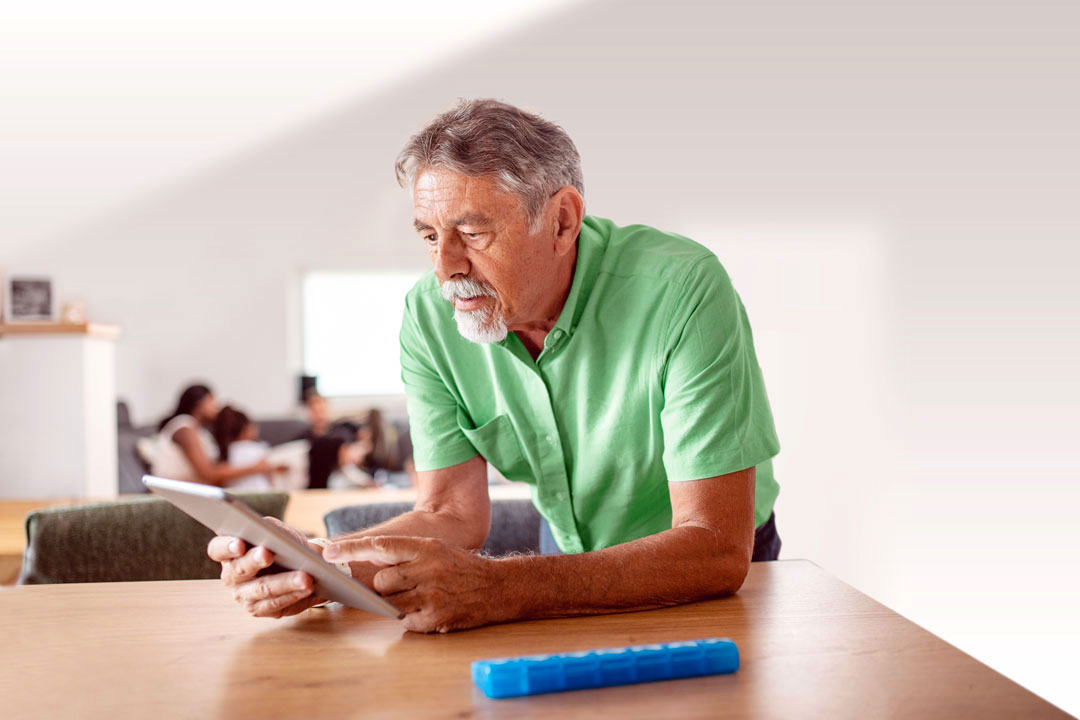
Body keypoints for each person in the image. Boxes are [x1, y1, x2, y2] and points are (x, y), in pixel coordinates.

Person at [209, 99, 782, 633]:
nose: (444, 268)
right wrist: (315, 565)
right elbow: (450, 514)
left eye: (471, 232)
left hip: (705, 571)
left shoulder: (682, 289)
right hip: (565, 559)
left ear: (562, 221)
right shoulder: (430, 317)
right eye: (430, 236)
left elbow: (712, 545)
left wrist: (500, 587)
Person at [152, 384, 283, 487]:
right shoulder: (184, 427)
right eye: (213, 401)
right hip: (173, 490)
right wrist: (256, 467)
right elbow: (208, 473)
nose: (217, 406)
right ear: (200, 403)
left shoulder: (202, 432)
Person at [212, 405, 275, 491]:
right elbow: (270, 477)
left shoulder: (225, 452)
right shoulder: (258, 448)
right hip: (261, 495)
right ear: (245, 431)